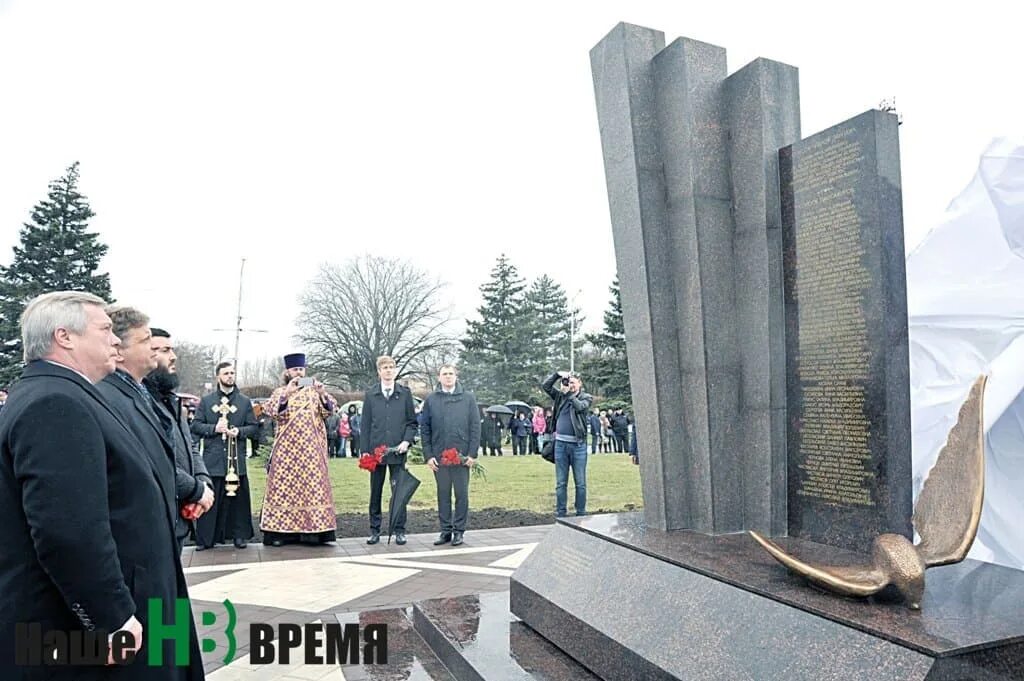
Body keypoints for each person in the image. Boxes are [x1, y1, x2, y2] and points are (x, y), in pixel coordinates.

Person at [0, 291, 204, 680]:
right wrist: (109, 619)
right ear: (65, 337)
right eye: (106, 329)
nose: (115, 340)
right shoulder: (55, 403)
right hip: (105, 621)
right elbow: (68, 530)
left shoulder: (73, 394)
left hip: (143, 595)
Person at [142, 327, 215, 553]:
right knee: (159, 589)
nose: (173, 357)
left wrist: (204, 483)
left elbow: (190, 447)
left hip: (181, 515)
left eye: (171, 349)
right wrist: (195, 491)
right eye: (163, 350)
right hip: (156, 517)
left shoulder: (171, 401)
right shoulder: (141, 403)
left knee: (174, 587)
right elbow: (155, 461)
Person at [261, 353, 338, 546]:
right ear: (287, 372)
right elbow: (271, 411)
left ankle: (313, 533)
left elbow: (330, 410)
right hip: (286, 452)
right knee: (284, 490)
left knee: (311, 489)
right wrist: (286, 394)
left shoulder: (314, 392)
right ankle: (280, 533)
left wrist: (321, 393)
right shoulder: (280, 392)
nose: (299, 373)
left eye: (302, 370)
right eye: (295, 370)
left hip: (312, 451)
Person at [191, 362, 259, 549]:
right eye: (226, 373)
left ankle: (239, 536)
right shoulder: (207, 401)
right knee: (211, 500)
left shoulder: (244, 402)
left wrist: (240, 431)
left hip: (235, 458)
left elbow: (254, 427)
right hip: (213, 459)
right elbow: (195, 426)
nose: (230, 376)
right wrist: (214, 428)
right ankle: (206, 539)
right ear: (218, 376)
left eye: (232, 373)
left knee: (238, 501)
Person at [360, 355, 417, 545]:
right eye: (385, 367)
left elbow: (411, 422)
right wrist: (365, 450)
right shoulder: (371, 394)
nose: (388, 370)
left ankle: (399, 529)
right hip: (376, 453)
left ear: (396, 370)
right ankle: (374, 530)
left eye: (392, 367)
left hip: (397, 451)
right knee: (375, 492)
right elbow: (366, 424)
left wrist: (406, 442)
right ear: (379, 371)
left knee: (398, 492)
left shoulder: (405, 393)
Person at [421, 365, 480, 547]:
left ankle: (459, 531)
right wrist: (429, 455)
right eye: (444, 374)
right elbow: (425, 429)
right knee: (443, 494)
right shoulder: (432, 399)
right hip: (440, 457)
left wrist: (471, 454)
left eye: (451, 374)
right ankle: (445, 530)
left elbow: (475, 427)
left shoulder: (468, 398)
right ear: (439, 377)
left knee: (461, 494)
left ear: (456, 376)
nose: (448, 377)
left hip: (461, 456)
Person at [542, 370, 594, 517]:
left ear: (579, 383)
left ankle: (581, 512)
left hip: (578, 446)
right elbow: (546, 386)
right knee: (561, 483)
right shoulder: (560, 396)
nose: (570, 385)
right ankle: (561, 512)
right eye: (568, 382)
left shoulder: (586, 397)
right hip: (560, 445)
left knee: (580, 483)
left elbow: (580, 407)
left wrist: (569, 395)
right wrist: (557, 375)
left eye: (573, 382)